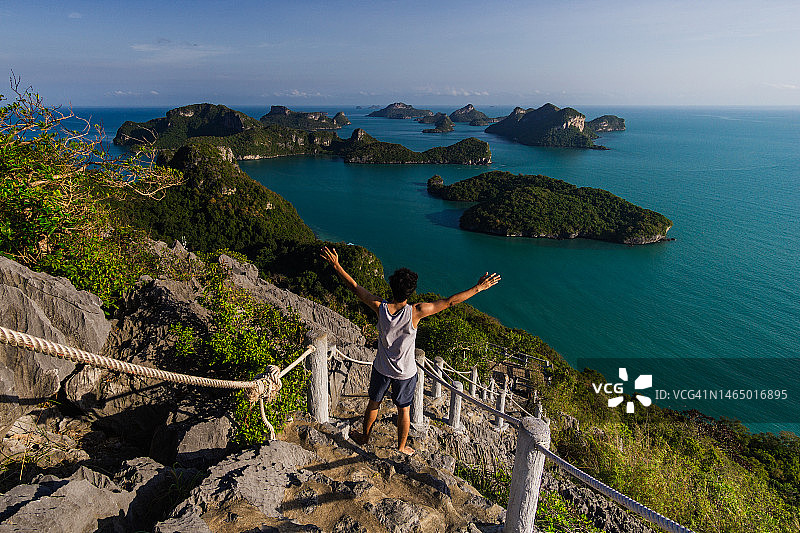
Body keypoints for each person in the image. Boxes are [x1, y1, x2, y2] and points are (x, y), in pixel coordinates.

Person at [320, 245, 501, 456]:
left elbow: (354, 287)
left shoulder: (380, 307)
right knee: (403, 410)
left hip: (381, 368)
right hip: (405, 373)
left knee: (374, 403)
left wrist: (336, 265)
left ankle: (364, 437)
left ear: (392, 287)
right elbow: (450, 301)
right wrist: (478, 288)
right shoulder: (416, 312)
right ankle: (401, 446)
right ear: (411, 291)